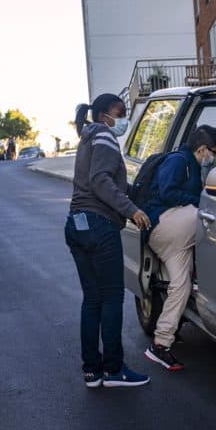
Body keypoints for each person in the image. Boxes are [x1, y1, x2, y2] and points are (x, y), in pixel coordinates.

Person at [66, 93, 152, 387]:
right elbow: (100, 180)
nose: (124, 118)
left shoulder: (89, 136)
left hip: (77, 224)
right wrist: (132, 210)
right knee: (112, 297)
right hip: (98, 225)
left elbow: (106, 179)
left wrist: (135, 190)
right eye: (121, 112)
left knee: (92, 299)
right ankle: (114, 370)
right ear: (105, 114)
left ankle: (92, 370)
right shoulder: (104, 135)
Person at [142, 125, 216, 371]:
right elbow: (167, 193)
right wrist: (204, 201)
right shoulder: (179, 161)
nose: (213, 158)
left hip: (175, 238)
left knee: (181, 286)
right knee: (211, 214)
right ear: (203, 149)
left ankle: (160, 344)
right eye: (213, 152)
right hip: (163, 223)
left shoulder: (194, 164)